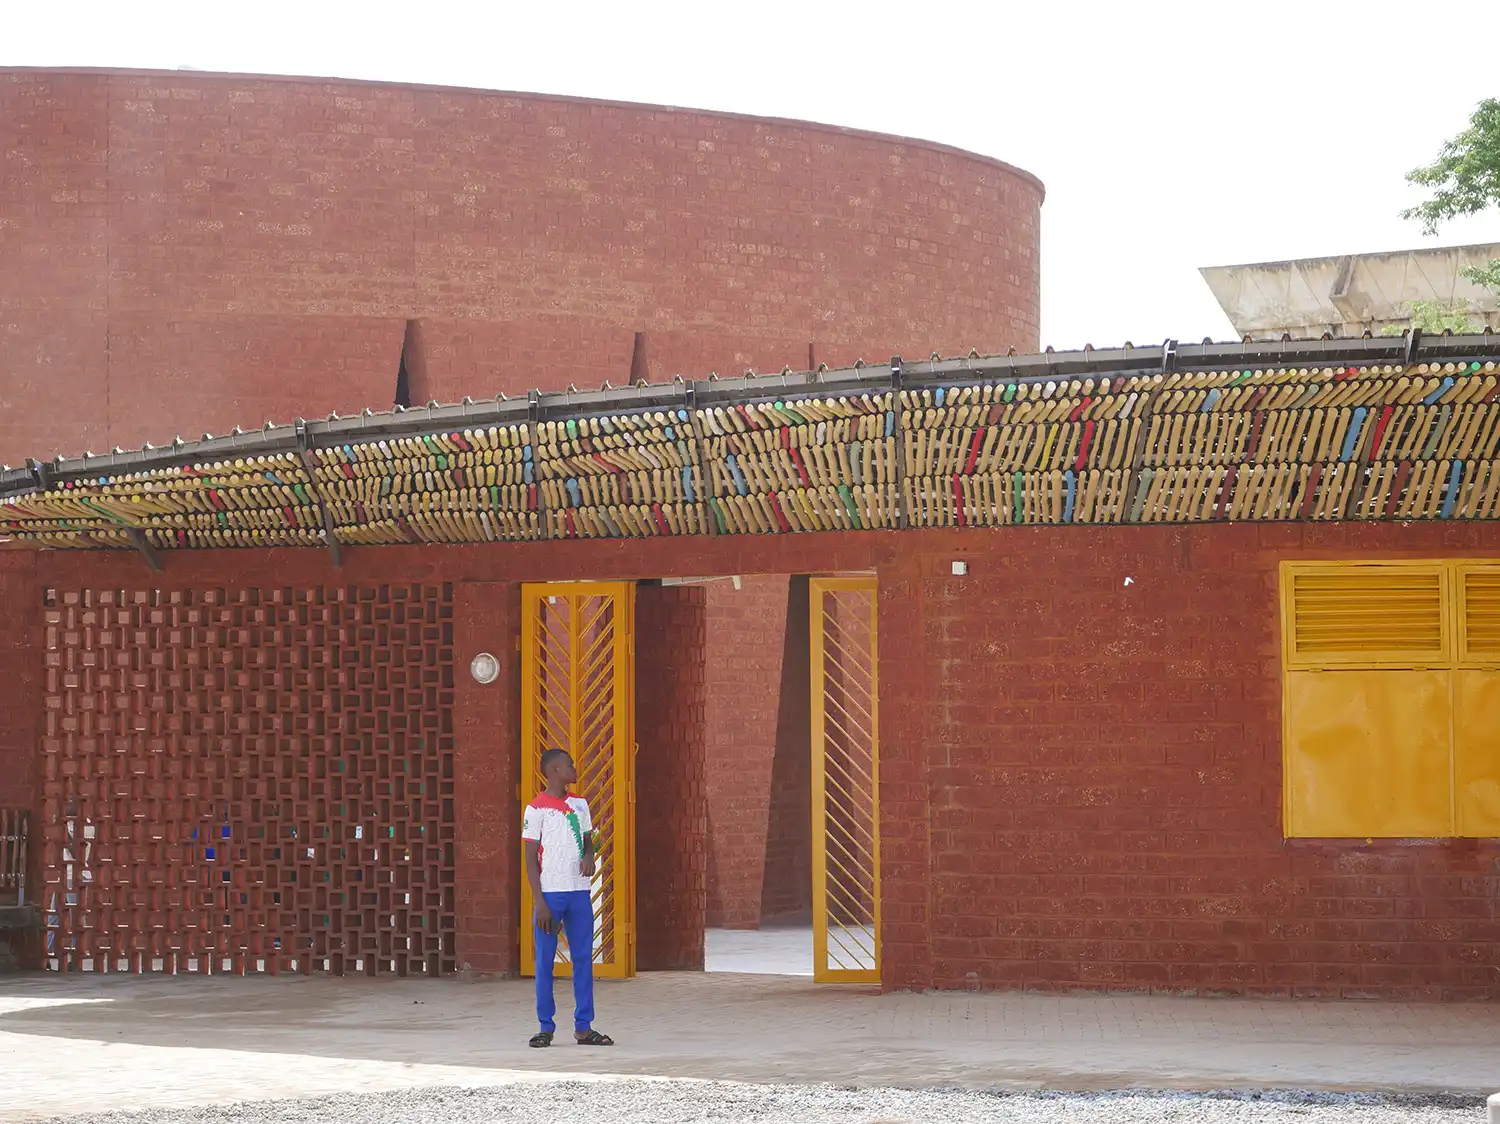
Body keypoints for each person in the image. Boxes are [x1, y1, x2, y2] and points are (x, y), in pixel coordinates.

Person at [522, 747, 614, 1047]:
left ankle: (584, 1027)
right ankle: (545, 1026)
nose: (575, 769)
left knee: (583, 960)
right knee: (545, 962)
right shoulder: (535, 810)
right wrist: (540, 903)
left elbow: (589, 843)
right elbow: (530, 859)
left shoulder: (580, 805)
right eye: (570, 765)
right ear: (554, 771)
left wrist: (590, 857)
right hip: (550, 895)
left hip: (579, 894)